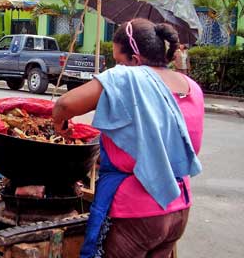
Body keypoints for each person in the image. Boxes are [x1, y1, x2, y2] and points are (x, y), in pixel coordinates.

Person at [52, 18, 204, 258]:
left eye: (119, 61)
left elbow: (63, 105)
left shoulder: (128, 77)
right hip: (178, 208)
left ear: (135, 59)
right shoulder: (191, 86)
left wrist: (60, 127)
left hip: (136, 210)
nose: (117, 66)